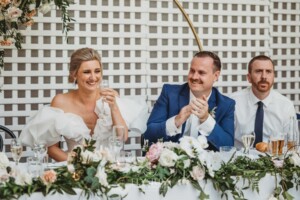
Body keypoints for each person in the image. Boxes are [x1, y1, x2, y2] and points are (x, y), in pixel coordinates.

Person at [20, 48, 147, 161]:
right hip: (74, 170)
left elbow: (122, 137)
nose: (93, 77)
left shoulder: (110, 97)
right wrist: (79, 165)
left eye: (97, 71)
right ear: (74, 74)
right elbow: (51, 148)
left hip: (110, 167)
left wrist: (114, 107)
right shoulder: (60, 102)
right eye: (87, 72)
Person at [144, 51, 235, 151]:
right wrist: (176, 121)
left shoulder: (226, 104)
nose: (194, 77)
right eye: (192, 71)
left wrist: (206, 119)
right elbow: (148, 135)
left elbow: (228, 146)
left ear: (216, 76)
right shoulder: (169, 93)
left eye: (201, 73)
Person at [230, 55, 298, 148]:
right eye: (258, 71)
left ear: (273, 76)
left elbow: (291, 145)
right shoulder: (233, 102)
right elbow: (226, 141)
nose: (264, 77)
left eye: (268, 72)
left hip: (273, 159)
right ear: (249, 77)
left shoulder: (286, 106)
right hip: (239, 159)